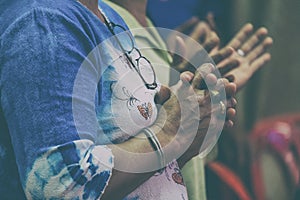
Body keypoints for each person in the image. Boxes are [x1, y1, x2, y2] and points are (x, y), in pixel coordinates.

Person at [0, 0, 237, 199]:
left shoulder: (104, 13)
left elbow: (127, 174)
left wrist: (187, 138)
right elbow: (64, 184)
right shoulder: (41, 22)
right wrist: (173, 129)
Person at [101, 0, 272, 199]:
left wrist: (201, 94)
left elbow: (177, 163)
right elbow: (95, 180)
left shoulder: (147, 28)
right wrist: (176, 122)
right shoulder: (103, 27)